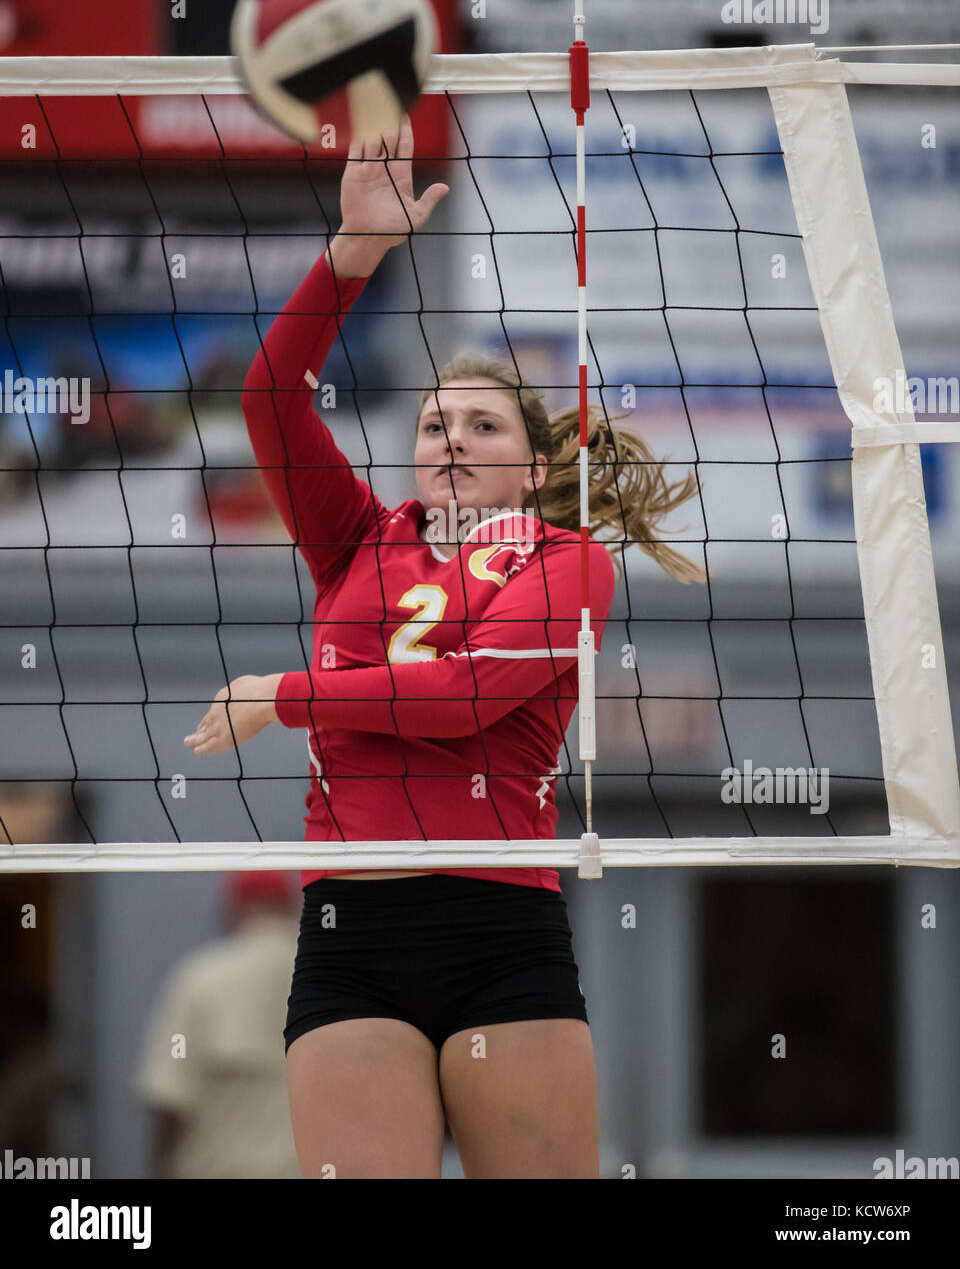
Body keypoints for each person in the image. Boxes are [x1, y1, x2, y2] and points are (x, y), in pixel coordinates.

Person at [184, 115, 704, 1179]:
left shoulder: (565, 563)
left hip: (497, 926)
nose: (451, 440)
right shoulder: (357, 541)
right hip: (349, 931)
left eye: (482, 426)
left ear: (528, 466)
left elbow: (464, 696)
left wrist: (286, 694)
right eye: (433, 424)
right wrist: (353, 257)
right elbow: (268, 398)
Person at [134, 870, 301, 1179]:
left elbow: (169, 1098)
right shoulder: (325, 985)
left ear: (232, 908)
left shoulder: (200, 981)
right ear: (291, 907)